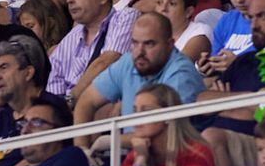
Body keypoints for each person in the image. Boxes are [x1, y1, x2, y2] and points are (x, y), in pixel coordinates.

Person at [74, 13, 204, 123]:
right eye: (135, 43)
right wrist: (82, 149)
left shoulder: (181, 73)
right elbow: (86, 102)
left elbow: (162, 132)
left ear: (170, 44)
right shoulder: (129, 61)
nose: (139, 52)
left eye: (149, 44)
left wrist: (111, 141)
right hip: (131, 150)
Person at [121, 82, 220, 166]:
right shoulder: (135, 155)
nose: (137, 117)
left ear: (168, 116)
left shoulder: (196, 154)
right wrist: (140, 161)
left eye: (145, 111)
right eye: (135, 111)